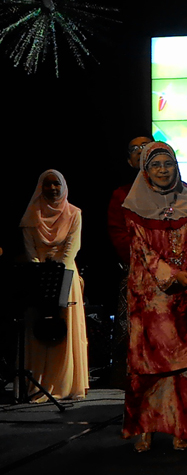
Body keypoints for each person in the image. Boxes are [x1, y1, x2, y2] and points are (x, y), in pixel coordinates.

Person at [120, 141, 187, 452]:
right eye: (156, 165)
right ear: (146, 170)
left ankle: (182, 427)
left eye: (168, 164)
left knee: (183, 363)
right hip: (149, 297)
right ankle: (147, 427)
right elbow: (142, 250)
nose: (163, 170)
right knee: (148, 364)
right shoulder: (134, 204)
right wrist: (171, 274)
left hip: (184, 295)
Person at [20, 170, 89, 402]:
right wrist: (40, 273)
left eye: (56, 184)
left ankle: (64, 383)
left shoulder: (74, 214)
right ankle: (37, 384)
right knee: (38, 330)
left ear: (63, 186)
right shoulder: (31, 215)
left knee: (63, 329)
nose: (52, 189)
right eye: (48, 185)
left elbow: (71, 249)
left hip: (65, 276)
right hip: (37, 277)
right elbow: (30, 251)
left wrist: (57, 273)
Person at [107, 135, 153, 388]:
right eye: (134, 149)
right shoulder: (121, 194)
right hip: (135, 274)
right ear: (128, 160)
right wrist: (145, 265)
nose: (140, 151)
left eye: (145, 146)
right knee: (133, 336)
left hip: (172, 277)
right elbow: (118, 233)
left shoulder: (181, 190)